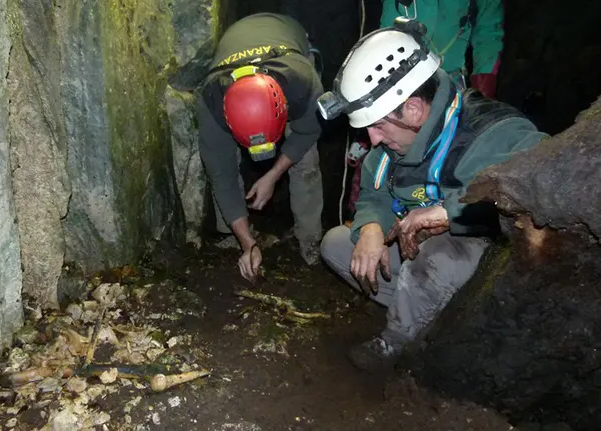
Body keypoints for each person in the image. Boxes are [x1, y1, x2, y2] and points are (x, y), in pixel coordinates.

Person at [316, 18, 547, 370]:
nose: (373, 140)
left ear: (412, 109)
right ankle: (426, 313)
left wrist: (447, 212)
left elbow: (547, 177)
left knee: (437, 256)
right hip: (421, 253)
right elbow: (373, 197)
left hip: (485, 259)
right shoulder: (395, 141)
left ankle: (398, 341)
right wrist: (371, 228)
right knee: (336, 244)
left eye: (377, 125)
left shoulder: (490, 131)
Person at [344, 0, 504, 219]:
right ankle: (371, 222)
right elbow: (387, 32)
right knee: (383, 149)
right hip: (395, 81)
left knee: (445, 157)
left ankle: (438, 214)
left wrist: (483, 96)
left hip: (447, 82)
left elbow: (488, 32)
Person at [198, 13, 324, 282]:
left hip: (288, 38)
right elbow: (223, 176)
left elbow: (308, 132)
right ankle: (235, 235)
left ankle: (310, 239)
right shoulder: (212, 104)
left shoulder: (302, 82)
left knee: (306, 160)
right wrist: (249, 244)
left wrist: (273, 175)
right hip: (233, 47)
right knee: (222, 165)